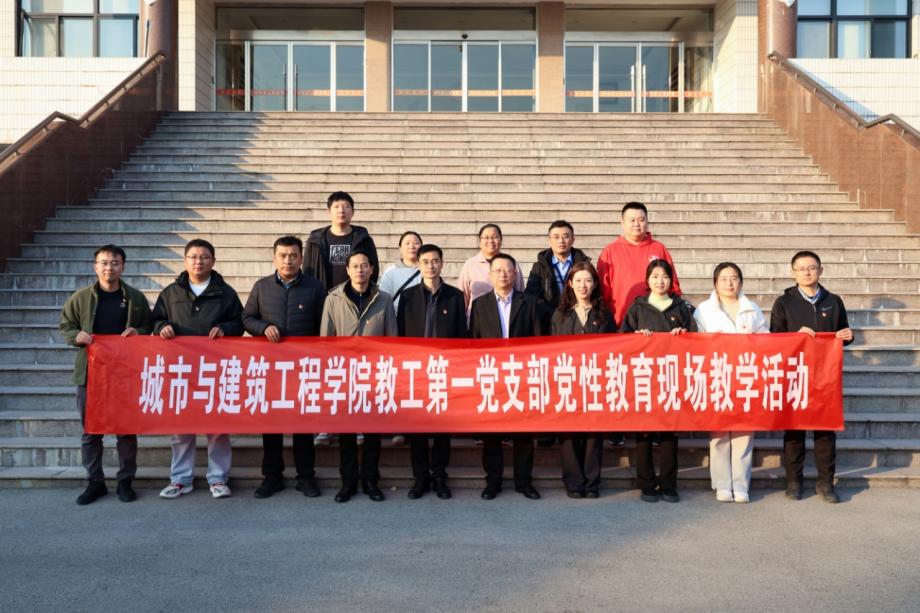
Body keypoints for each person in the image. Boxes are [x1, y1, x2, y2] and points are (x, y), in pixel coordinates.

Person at [59, 245, 152, 505]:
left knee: (125, 430)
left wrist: (139, 332)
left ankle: (125, 481)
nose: (108, 268)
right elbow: (66, 325)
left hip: (124, 374)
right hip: (90, 374)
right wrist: (75, 336)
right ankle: (95, 482)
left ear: (123, 266)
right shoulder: (81, 298)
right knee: (91, 431)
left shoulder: (135, 298)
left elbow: (149, 325)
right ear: (95, 266)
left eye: (114, 262)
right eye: (103, 262)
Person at [153, 239, 244, 500]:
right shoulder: (171, 293)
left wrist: (225, 328)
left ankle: (218, 478)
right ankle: (181, 479)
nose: (198, 261)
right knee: (181, 426)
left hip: (215, 369)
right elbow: (155, 320)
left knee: (217, 427)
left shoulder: (225, 293)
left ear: (213, 261)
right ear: (185, 260)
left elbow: (240, 323)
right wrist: (162, 327)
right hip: (181, 369)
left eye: (204, 257)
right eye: (193, 256)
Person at [243, 236, 327, 499]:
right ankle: (272, 477)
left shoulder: (315, 288)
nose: (288, 260)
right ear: (274, 258)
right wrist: (263, 327)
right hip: (271, 367)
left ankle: (306, 476)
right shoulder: (262, 287)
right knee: (272, 425)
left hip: (303, 367)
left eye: (293, 255)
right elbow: (246, 318)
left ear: (301, 258)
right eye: (282, 255)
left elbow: (324, 326)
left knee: (303, 425)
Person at [770, 250, 853, 504]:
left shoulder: (833, 301)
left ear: (820, 270)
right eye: (801, 268)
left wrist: (848, 337)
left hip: (825, 374)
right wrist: (795, 336)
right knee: (794, 430)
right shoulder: (784, 303)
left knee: (825, 431)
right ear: (792, 273)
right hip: (795, 373)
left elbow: (843, 333)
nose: (807, 272)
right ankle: (794, 481)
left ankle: (826, 482)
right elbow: (774, 338)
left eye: (812, 267)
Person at [320, 250, 398, 503]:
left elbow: (392, 338)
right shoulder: (333, 299)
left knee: (373, 432)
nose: (360, 270)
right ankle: (348, 482)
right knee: (346, 433)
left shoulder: (383, 299)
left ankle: (370, 481)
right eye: (355, 266)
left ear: (372, 269)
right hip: (344, 373)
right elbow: (326, 339)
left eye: (364, 266)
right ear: (347, 270)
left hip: (374, 374)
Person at [694, 262, 769, 504]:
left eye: (734, 278)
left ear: (741, 282)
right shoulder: (704, 310)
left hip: (746, 376)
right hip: (717, 375)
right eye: (724, 279)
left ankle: (741, 485)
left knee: (744, 433)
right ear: (715, 283)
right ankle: (722, 484)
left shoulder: (751, 308)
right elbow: (696, 343)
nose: (729, 283)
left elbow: (766, 339)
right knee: (719, 434)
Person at [621, 259, 695, 503]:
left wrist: (684, 335)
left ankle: (669, 484)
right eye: (655, 276)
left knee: (669, 434)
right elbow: (622, 339)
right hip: (643, 378)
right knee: (643, 433)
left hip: (672, 378)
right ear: (647, 280)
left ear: (671, 280)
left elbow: (695, 338)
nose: (660, 281)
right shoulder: (638, 307)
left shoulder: (681, 307)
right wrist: (635, 337)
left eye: (664, 276)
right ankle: (646, 484)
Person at [396, 244, 467, 500]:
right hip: (416, 372)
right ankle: (420, 478)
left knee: (441, 429)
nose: (430, 266)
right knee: (417, 429)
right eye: (425, 261)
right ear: (418, 265)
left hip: (444, 371)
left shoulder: (455, 296)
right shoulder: (407, 297)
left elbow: (461, 335)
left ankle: (439, 476)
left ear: (442, 263)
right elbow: (401, 335)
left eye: (435, 261)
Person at [469, 253, 542, 500]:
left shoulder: (528, 302)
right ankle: (493, 481)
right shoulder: (480, 305)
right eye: (498, 270)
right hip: (491, 375)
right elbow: (474, 341)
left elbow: (537, 339)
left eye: (508, 270)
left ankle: (524, 481)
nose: (503, 274)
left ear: (515, 274)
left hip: (521, 375)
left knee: (523, 432)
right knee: (491, 432)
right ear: (490, 275)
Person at [551, 261, 615, 499]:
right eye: (578, 281)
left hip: (595, 382)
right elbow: (551, 349)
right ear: (570, 283)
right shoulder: (560, 315)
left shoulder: (603, 314)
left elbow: (613, 347)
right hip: (567, 381)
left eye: (588, 280)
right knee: (569, 433)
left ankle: (591, 483)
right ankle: (574, 482)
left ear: (595, 284)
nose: (583, 285)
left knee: (593, 433)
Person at [597, 202, 681, 328]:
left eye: (641, 220)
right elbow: (603, 290)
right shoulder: (610, 251)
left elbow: (673, 284)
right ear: (622, 223)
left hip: (656, 322)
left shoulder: (659, 248)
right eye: (632, 220)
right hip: (621, 322)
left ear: (647, 221)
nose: (637, 224)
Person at [303, 191, 379, 291]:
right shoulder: (315, 241)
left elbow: (373, 270)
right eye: (336, 207)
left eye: (346, 206)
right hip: (322, 296)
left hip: (355, 296)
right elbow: (307, 271)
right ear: (329, 211)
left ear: (353, 212)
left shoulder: (364, 239)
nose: (341, 210)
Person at [526, 220, 591, 335]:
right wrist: (552, 312)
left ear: (573, 240)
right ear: (549, 241)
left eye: (565, 236)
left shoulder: (584, 265)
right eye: (556, 237)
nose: (561, 241)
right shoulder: (540, 266)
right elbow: (531, 296)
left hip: (578, 320)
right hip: (548, 322)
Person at [457, 223, 525, 317]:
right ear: (480, 242)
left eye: (495, 237)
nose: (491, 241)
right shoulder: (470, 265)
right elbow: (462, 298)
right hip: (477, 319)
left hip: (507, 317)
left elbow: (520, 292)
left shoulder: (511, 264)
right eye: (486, 237)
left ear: (501, 240)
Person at [379, 231, 423, 311]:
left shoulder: (428, 271)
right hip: (398, 317)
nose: (411, 246)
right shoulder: (390, 273)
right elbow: (383, 300)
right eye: (407, 243)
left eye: (416, 243)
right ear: (400, 249)